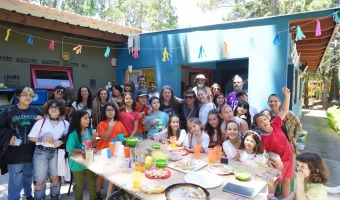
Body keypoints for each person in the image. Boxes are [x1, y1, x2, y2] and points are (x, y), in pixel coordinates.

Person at [0, 86, 43, 200]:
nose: (28, 97)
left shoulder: (37, 111)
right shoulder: (8, 111)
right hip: (14, 152)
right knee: (15, 178)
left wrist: (41, 122)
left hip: (32, 151)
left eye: (31, 95)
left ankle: (27, 195)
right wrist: (9, 136)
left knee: (28, 175)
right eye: (25, 94)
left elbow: (45, 130)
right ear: (18, 96)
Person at [253, 86, 293, 198]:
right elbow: (264, 154)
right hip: (278, 161)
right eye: (260, 122)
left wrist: (287, 95)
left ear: (268, 119)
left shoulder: (275, 124)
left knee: (286, 182)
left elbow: (284, 110)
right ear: (258, 126)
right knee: (274, 182)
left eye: (265, 119)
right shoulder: (262, 138)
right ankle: (271, 197)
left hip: (289, 157)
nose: (264, 122)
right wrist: (275, 160)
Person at [28, 99, 69, 199]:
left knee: (55, 177)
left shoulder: (65, 123)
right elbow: (30, 137)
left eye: (56, 107)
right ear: (47, 109)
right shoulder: (41, 122)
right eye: (51, 107)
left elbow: (68, 136)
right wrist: (42, 138)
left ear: (61, 110)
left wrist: (61, 141)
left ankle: (54, 196)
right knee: (39, 179)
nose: (53, 109)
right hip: (40, 152)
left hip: (56, 153)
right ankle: (39, 198)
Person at [95, 102, 127, 198]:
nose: (110, 112)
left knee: (116, 171)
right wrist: (110, 126)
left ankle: (113, 190)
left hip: (115, 151)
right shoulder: (101, 124)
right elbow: (104, 138)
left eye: (112, 110)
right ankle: (98, 192)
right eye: (108, 110)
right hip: (103, 151)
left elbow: (122, 138)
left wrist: (122, 141)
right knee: (102, 173)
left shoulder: (120, 123)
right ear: (104, 112)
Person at [65, 109, 97, 200]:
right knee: (80, 186)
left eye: (89, 118)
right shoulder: (73, 133)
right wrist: (86, 151)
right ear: (78, 119)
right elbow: (70, 150)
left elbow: (93, 145)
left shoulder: (89, 130)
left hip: (89, 161)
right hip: (77, 164)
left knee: (92, 183)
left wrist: (94, 137)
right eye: (85, 118)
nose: (88, 120)